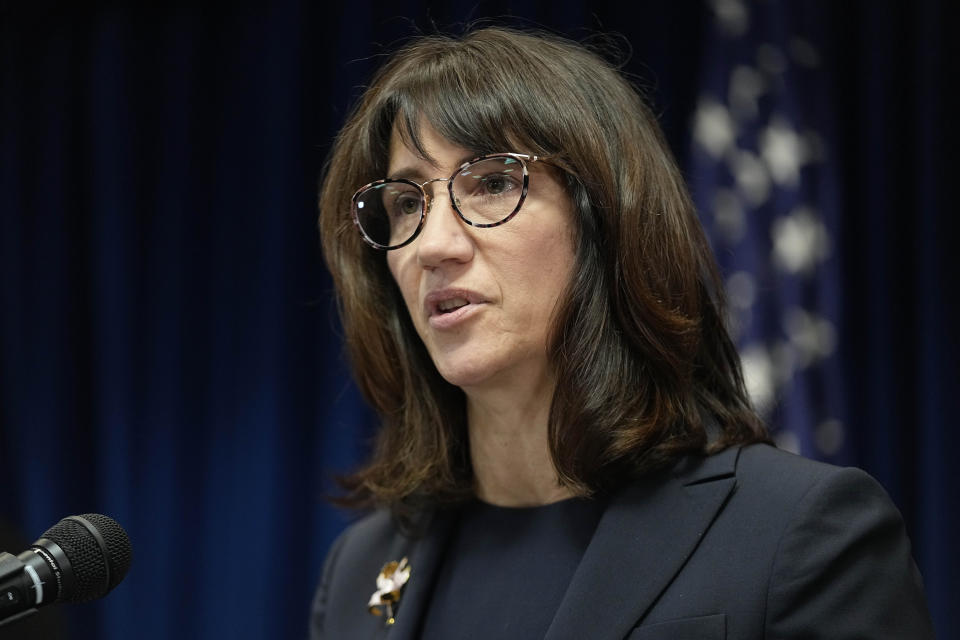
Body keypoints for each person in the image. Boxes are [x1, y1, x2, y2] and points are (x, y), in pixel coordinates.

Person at [311, 27, 933, 639]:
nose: (434, 245)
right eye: (406, 204)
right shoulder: (361, 570)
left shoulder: (803, 534)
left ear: (607, 218)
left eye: (494, 183)